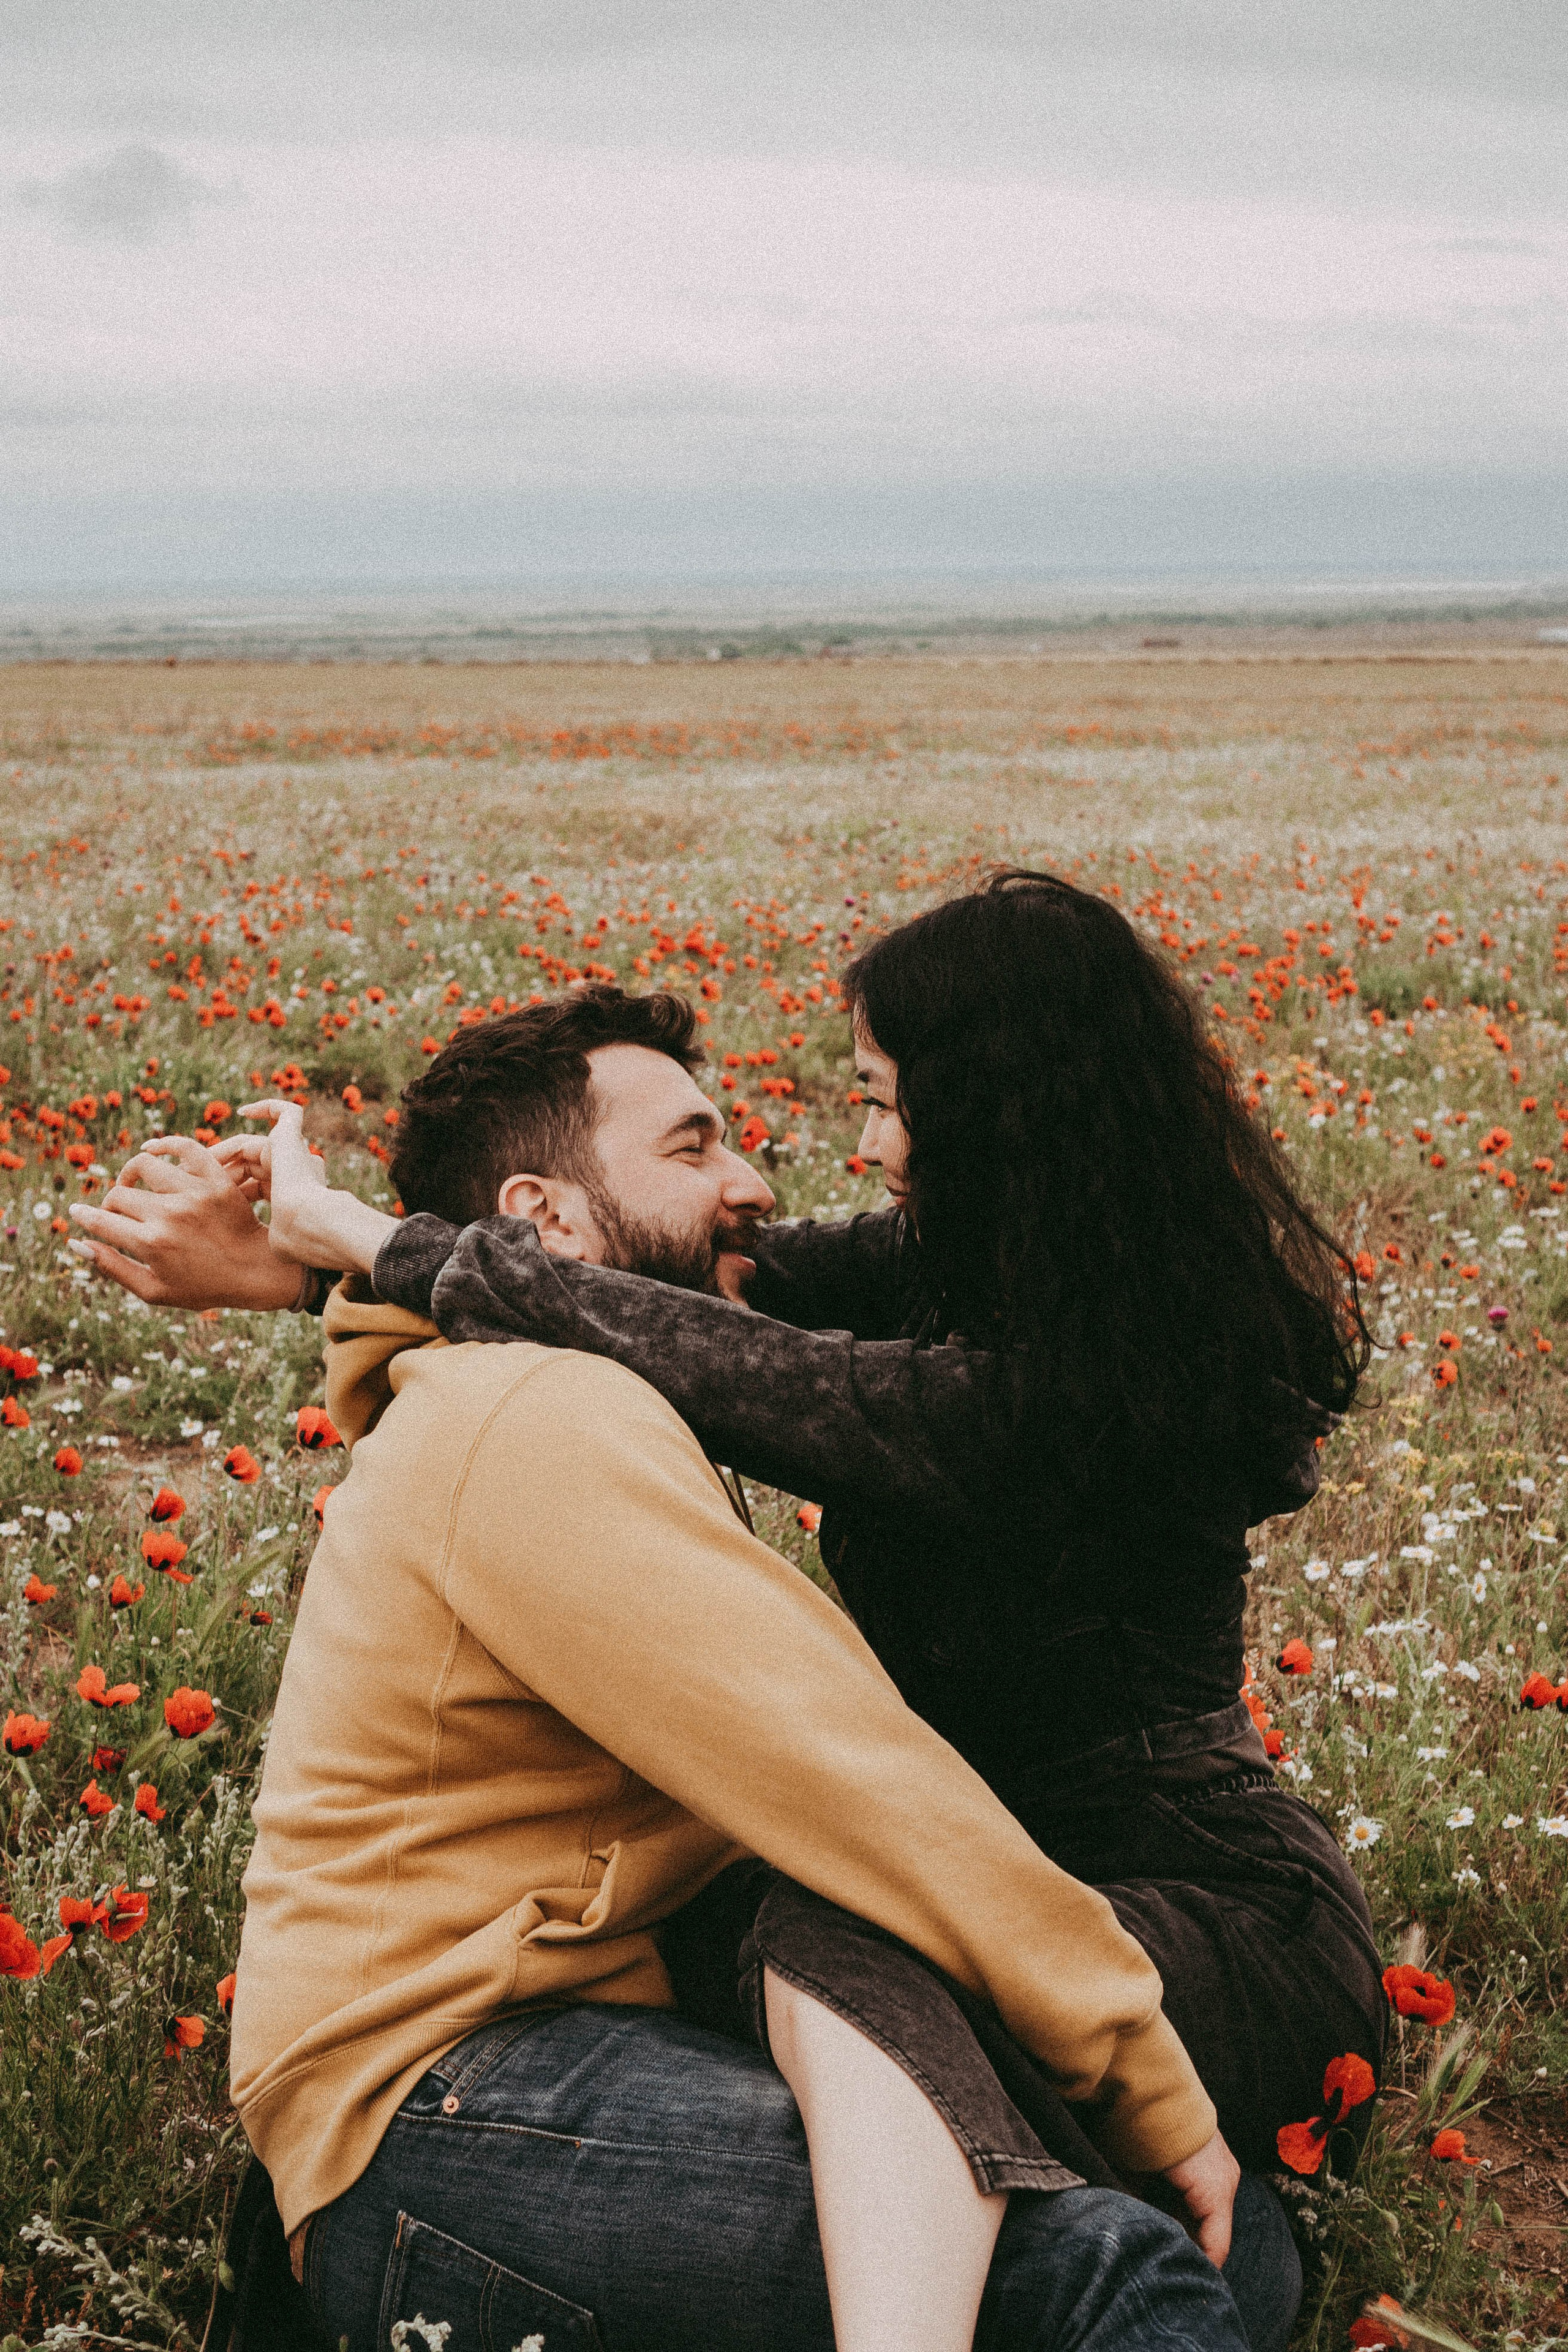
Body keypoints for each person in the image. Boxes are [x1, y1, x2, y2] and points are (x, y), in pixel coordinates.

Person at [75, 988, 1276, 2352]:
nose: (752, 1183)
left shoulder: (538, 1389)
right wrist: (1141, 2071)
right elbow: (847, 1769)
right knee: (1103, 2278)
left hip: (552, 2052)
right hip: (434, 2110)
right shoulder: (536, 1416)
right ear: (545, 1224)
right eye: (693, 1148)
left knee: (1218, 2255)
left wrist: (323, 1265)